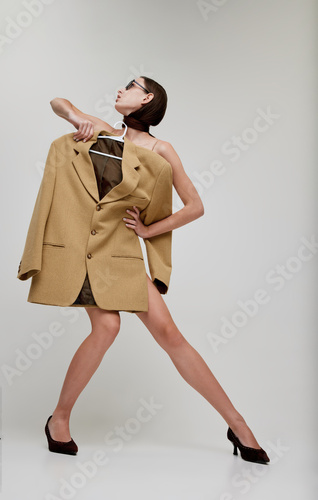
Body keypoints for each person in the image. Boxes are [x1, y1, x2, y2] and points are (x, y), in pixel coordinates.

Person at [44, 76, 270, 463]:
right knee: (108, 326)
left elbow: (194, 205)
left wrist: (149, 230)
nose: (119, 90)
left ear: (147, 98)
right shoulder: (103, 131)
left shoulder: (162, 149)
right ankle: (58, 419)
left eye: (129, 85)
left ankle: (238, 424)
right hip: (87, 248)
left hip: (122, 251)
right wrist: (74, 117)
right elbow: (58, 102)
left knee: (170, 335)